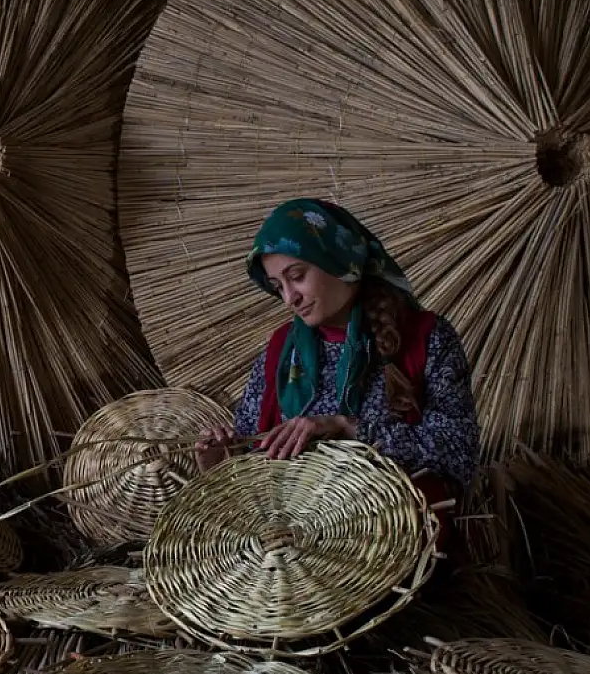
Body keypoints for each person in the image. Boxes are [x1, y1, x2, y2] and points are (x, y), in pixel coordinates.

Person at [194, 198, 480, 506]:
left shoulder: (426, 337)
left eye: (297, 276)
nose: (290, 298)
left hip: (394, 533)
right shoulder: (281, 349)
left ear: (338, 259)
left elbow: (458, 452)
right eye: (278, 286)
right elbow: (253, 459)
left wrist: (347, 428)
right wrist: (219, 459)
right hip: (292, 540)